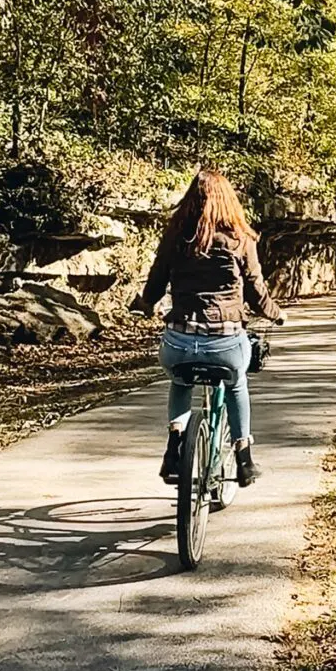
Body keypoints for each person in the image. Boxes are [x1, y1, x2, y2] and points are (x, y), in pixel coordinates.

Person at [139, 168, 285, 487]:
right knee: (235, 383)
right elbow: (256, 291)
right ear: (229, 201)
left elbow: (155, 281)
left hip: (178, 341)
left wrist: (145, 303)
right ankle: (244, 459)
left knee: (180, 382)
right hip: (225, 342)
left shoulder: (176, 237)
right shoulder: (240, 240)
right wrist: (276, 314)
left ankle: (175, 446)